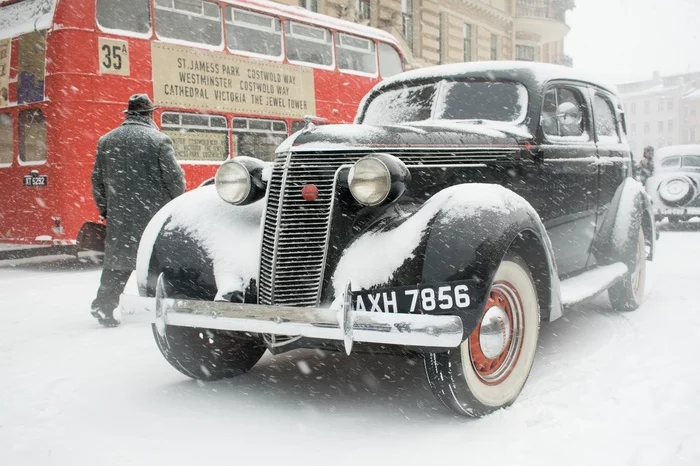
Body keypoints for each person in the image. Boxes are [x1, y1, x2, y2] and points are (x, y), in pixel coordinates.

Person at [91, 94, 185, 327]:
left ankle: (103, 305)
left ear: (129, 114)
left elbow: (97, 180)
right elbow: (175, 181)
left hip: (120, 216)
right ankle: (156, 309)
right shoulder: (159, 140)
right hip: (152, 215)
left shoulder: (106, 141)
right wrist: (177, 206)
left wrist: (106, 210)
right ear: (149, 114)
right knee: (155, 263)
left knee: (117, 264)